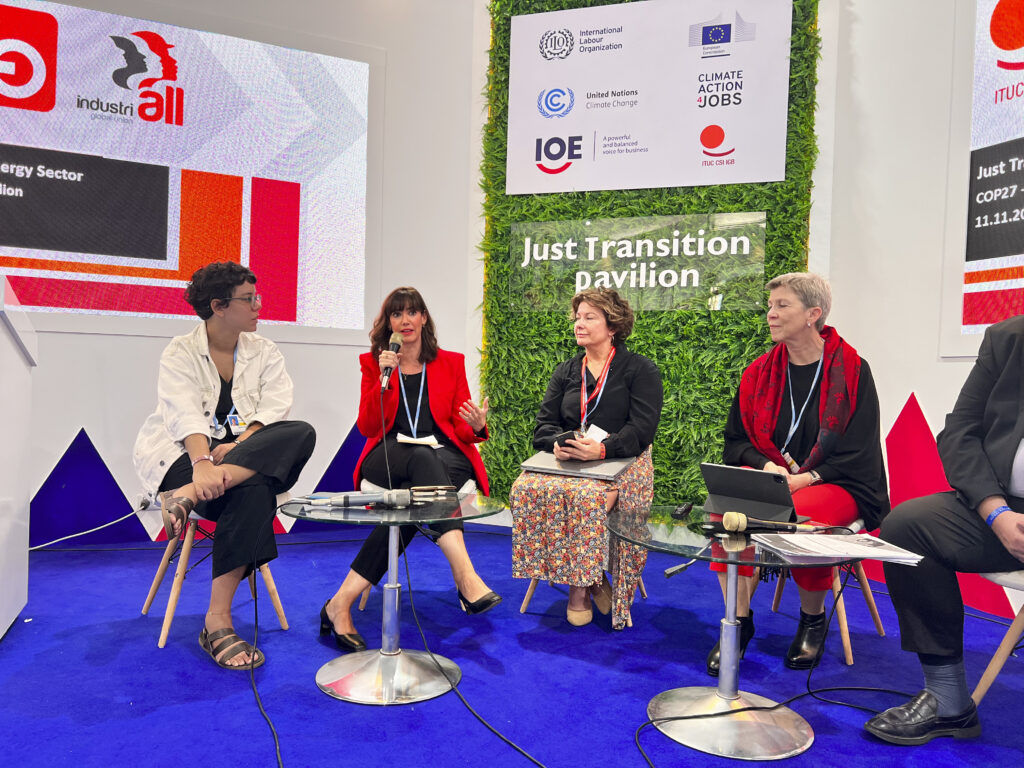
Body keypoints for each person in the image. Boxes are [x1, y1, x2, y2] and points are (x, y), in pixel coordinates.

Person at [134, 261, 316, 670]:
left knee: (300, 431)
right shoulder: (180, 351)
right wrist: (201, 464)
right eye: (248, 299)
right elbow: (184, 415)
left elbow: (275, 409)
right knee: (255, 491)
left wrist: (236, 447)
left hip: (233, 456)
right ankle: (217, 620)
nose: (258, 306)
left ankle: (185, 497)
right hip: (182, 456)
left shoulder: (264, 351)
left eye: (257, 297)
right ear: (218, 306)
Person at [709, 272, 889, 676]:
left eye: (782, 305)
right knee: (726, 511)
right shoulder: (758, 373)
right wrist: (766, 466)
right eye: (770, 305)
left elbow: (859, 452)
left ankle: (812, 619)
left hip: (839, 482)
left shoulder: (853, 371)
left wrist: (806, 478)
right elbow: (736, 442)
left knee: (804, 517)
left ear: (813, 314)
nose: (770, 314)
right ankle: (737, 622)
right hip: (777, 479)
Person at [864, 314, 1024, 745]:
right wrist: (996, 512)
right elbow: (960, 431)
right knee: (909, 527)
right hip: (1005, 508)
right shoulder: (1009, 339)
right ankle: (948, 699)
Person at [320, 287, 500, 651]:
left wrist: (477, 426)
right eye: (397, 314)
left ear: (424, 318)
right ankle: (466, 577)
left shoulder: (450, 362)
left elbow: (460, 426)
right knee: (421, 459)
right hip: (389, 454)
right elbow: (369, 426)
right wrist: (384, 379)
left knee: (411, 500)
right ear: (388, 323)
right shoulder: (374, 363)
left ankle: (339, 603)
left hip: (443, 455)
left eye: (412, 312)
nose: (405, 320)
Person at [511, 288, 663, 629]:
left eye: (589, 317)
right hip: (570, 462)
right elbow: (543, 427)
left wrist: (603, 449)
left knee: (584, 499)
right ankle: (592, 578)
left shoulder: (640, 370)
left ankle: (579, 589)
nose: (579, 323)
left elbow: (642, 430)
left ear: (613, 326)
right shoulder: (567, 370)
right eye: (577, 317)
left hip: (622, 462)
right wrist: (559, 444)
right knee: (524, 489)